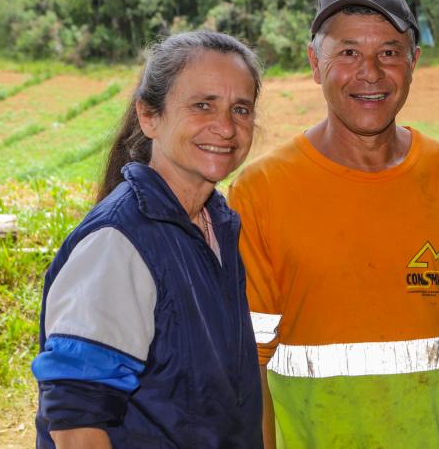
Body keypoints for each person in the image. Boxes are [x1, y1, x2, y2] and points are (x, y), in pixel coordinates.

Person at [229, 0, 439, 449]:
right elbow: (248, 362)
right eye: (349, 52)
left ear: (414, 62)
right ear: (315, 63)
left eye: (390, 52)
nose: (371, 73)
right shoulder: (261, 191)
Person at [31, 31, 265, 448]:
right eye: (202, 105)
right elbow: (75, 425)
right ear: (148, 116)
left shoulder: (217, 224)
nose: (226, 127)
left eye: (241, 109)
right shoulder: (119, 243)